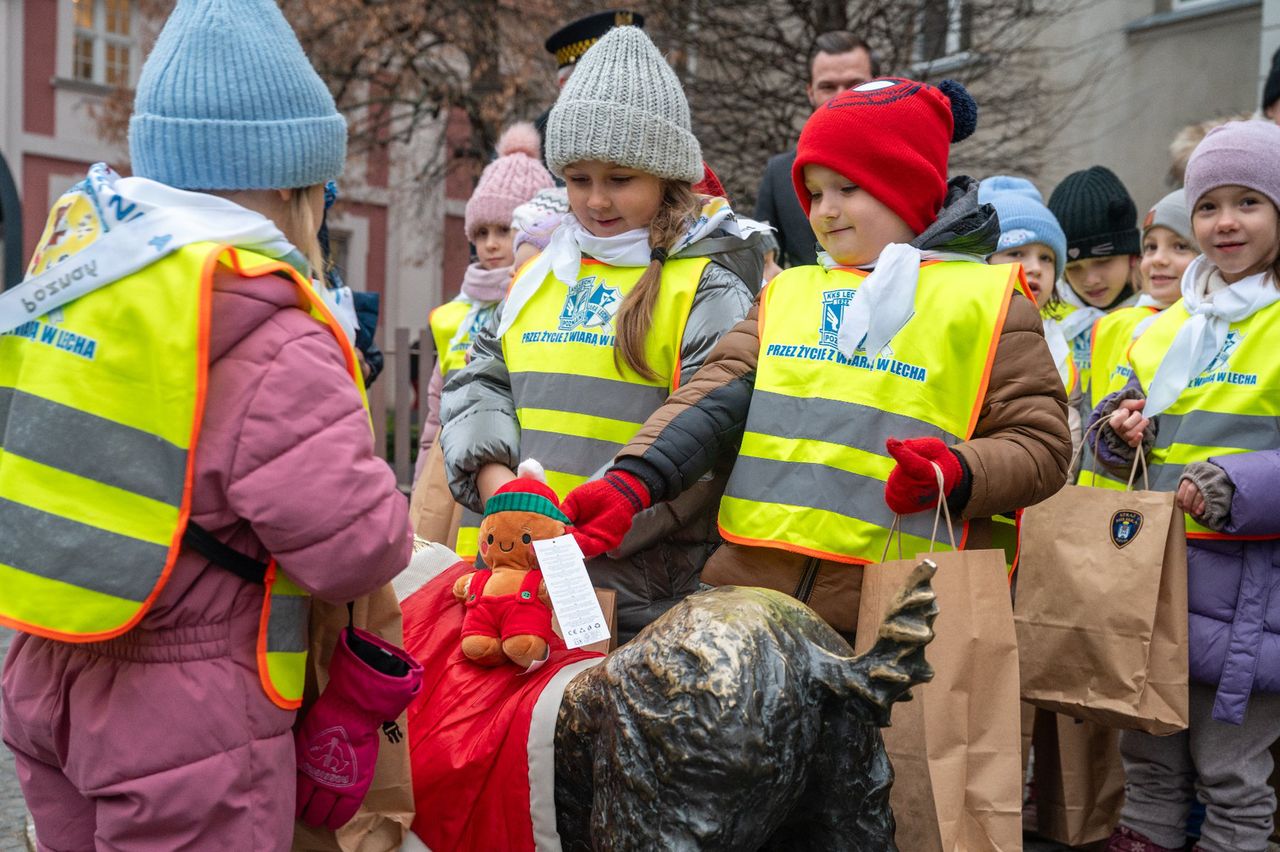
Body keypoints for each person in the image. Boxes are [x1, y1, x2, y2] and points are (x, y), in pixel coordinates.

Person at [0, 1, 412, 848]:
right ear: (295, 189)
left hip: (45, 671)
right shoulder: (268, 326)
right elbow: (356, 548)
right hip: (188, 721)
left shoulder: (80, 276)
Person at [561, 77, 1071, 639]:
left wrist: (954, 471)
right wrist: (631, 483)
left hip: (895, 616)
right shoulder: (791, 291)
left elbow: (1042, 447)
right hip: (751, 595)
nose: (824, 212)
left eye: (848, 188)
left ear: (907, 185)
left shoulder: (990, 301)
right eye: (814, 191)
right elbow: (710, 400)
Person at [438, 25, 755, 640]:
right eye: (579, 179)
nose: (596, 200)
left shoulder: (708, 284)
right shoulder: (543, 271)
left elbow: (707, 439)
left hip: (635, 583)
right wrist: (499, 488)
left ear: (666, 176)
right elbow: (479, 380)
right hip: (518, 564)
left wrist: (595, 518)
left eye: (619, 179)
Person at [1091, 120, 1280, 852]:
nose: (1224, 221)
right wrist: (1117, 432)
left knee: (1232, 771)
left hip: (1253, 599)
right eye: (1208, 205)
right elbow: (1114, 431)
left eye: (1249, 202)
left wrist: (1233, 486)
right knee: (1149, 755)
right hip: (1160, 581)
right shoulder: (1169, 327)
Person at [415, 122, 554, 474]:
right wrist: (422, 481)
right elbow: (435, 414)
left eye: (504, 230)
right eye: (480, 232)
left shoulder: (546, 302)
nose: (490, 244)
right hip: (453, 465)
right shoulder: (454, 314)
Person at [1079, 189, 1201, 489]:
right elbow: (1086, 416)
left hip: (1156, 504)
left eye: (1180, 246)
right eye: (1150, 247)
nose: (1158, 260)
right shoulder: (1111, 325)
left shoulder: (1203, 329)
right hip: (1091, 503)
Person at [754, 31, 878, 272]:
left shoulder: (904, 161)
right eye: (828, 87)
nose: (842, 96)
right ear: (810, 92)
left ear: (876, 84)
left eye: (855, 84)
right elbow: (765, 265)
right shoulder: (780, 174)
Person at [980, 175, 1079, 452]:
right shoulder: (964, 330)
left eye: (1046, 257)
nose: (1035, 267)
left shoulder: (1059, 344)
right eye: (1017, 253)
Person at [1047, 165, 1142, 406]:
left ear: (1133, 255)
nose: (1090, 280)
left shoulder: (1161, 315)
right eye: (1074, 267)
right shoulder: (1047, 318)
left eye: (1103, 261)